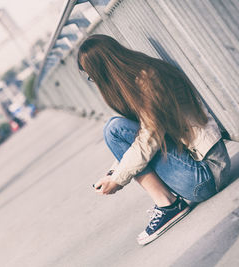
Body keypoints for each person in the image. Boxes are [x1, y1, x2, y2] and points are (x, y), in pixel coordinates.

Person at [77, 35, 230, 245]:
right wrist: (114, 172)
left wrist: (119, 178)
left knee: (114, 128)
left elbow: (150, 137)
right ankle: (168, 204)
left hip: (207, 173)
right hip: (197, 167)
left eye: (92, 77)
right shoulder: (141, 77)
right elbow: (142, 135)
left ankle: (168, 205)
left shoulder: (149, 79)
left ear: (102, 69)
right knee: (115, 128)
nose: (95, 83)